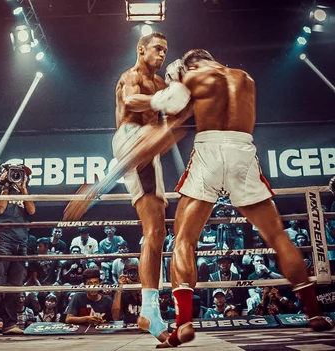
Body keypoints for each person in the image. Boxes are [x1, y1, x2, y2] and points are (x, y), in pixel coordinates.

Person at [151, 49, 334, 347]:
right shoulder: (244, 78)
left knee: (183, 238)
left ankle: (182, 322)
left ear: (192, 64)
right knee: (277, 236)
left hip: (210, 148)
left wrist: (174, 80)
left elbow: (168, 106)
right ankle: (314, 313)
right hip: (242, 149)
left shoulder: (194, 76)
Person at [110, 31, 176, 342]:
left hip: (149, 150)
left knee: (157, 231)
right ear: (141, 49)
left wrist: (178, 95)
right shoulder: (131, 76)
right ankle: (149, 310)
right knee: (153, 231)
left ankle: (150, 310)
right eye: (157, 49)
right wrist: (159, 100)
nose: (162, 55)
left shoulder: (163, 83)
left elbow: (167, 122)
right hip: (130, 137)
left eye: (165, 50)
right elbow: (130, 100)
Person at [0, 164, 36, 336]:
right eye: (15, 173)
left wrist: (24, 188)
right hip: (2, 240)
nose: (18, 176)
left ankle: (9, 323)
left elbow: (32, 211)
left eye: (22, 174)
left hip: (21, 241)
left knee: (15, 286)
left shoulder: (25, 192)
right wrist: (5, 185)